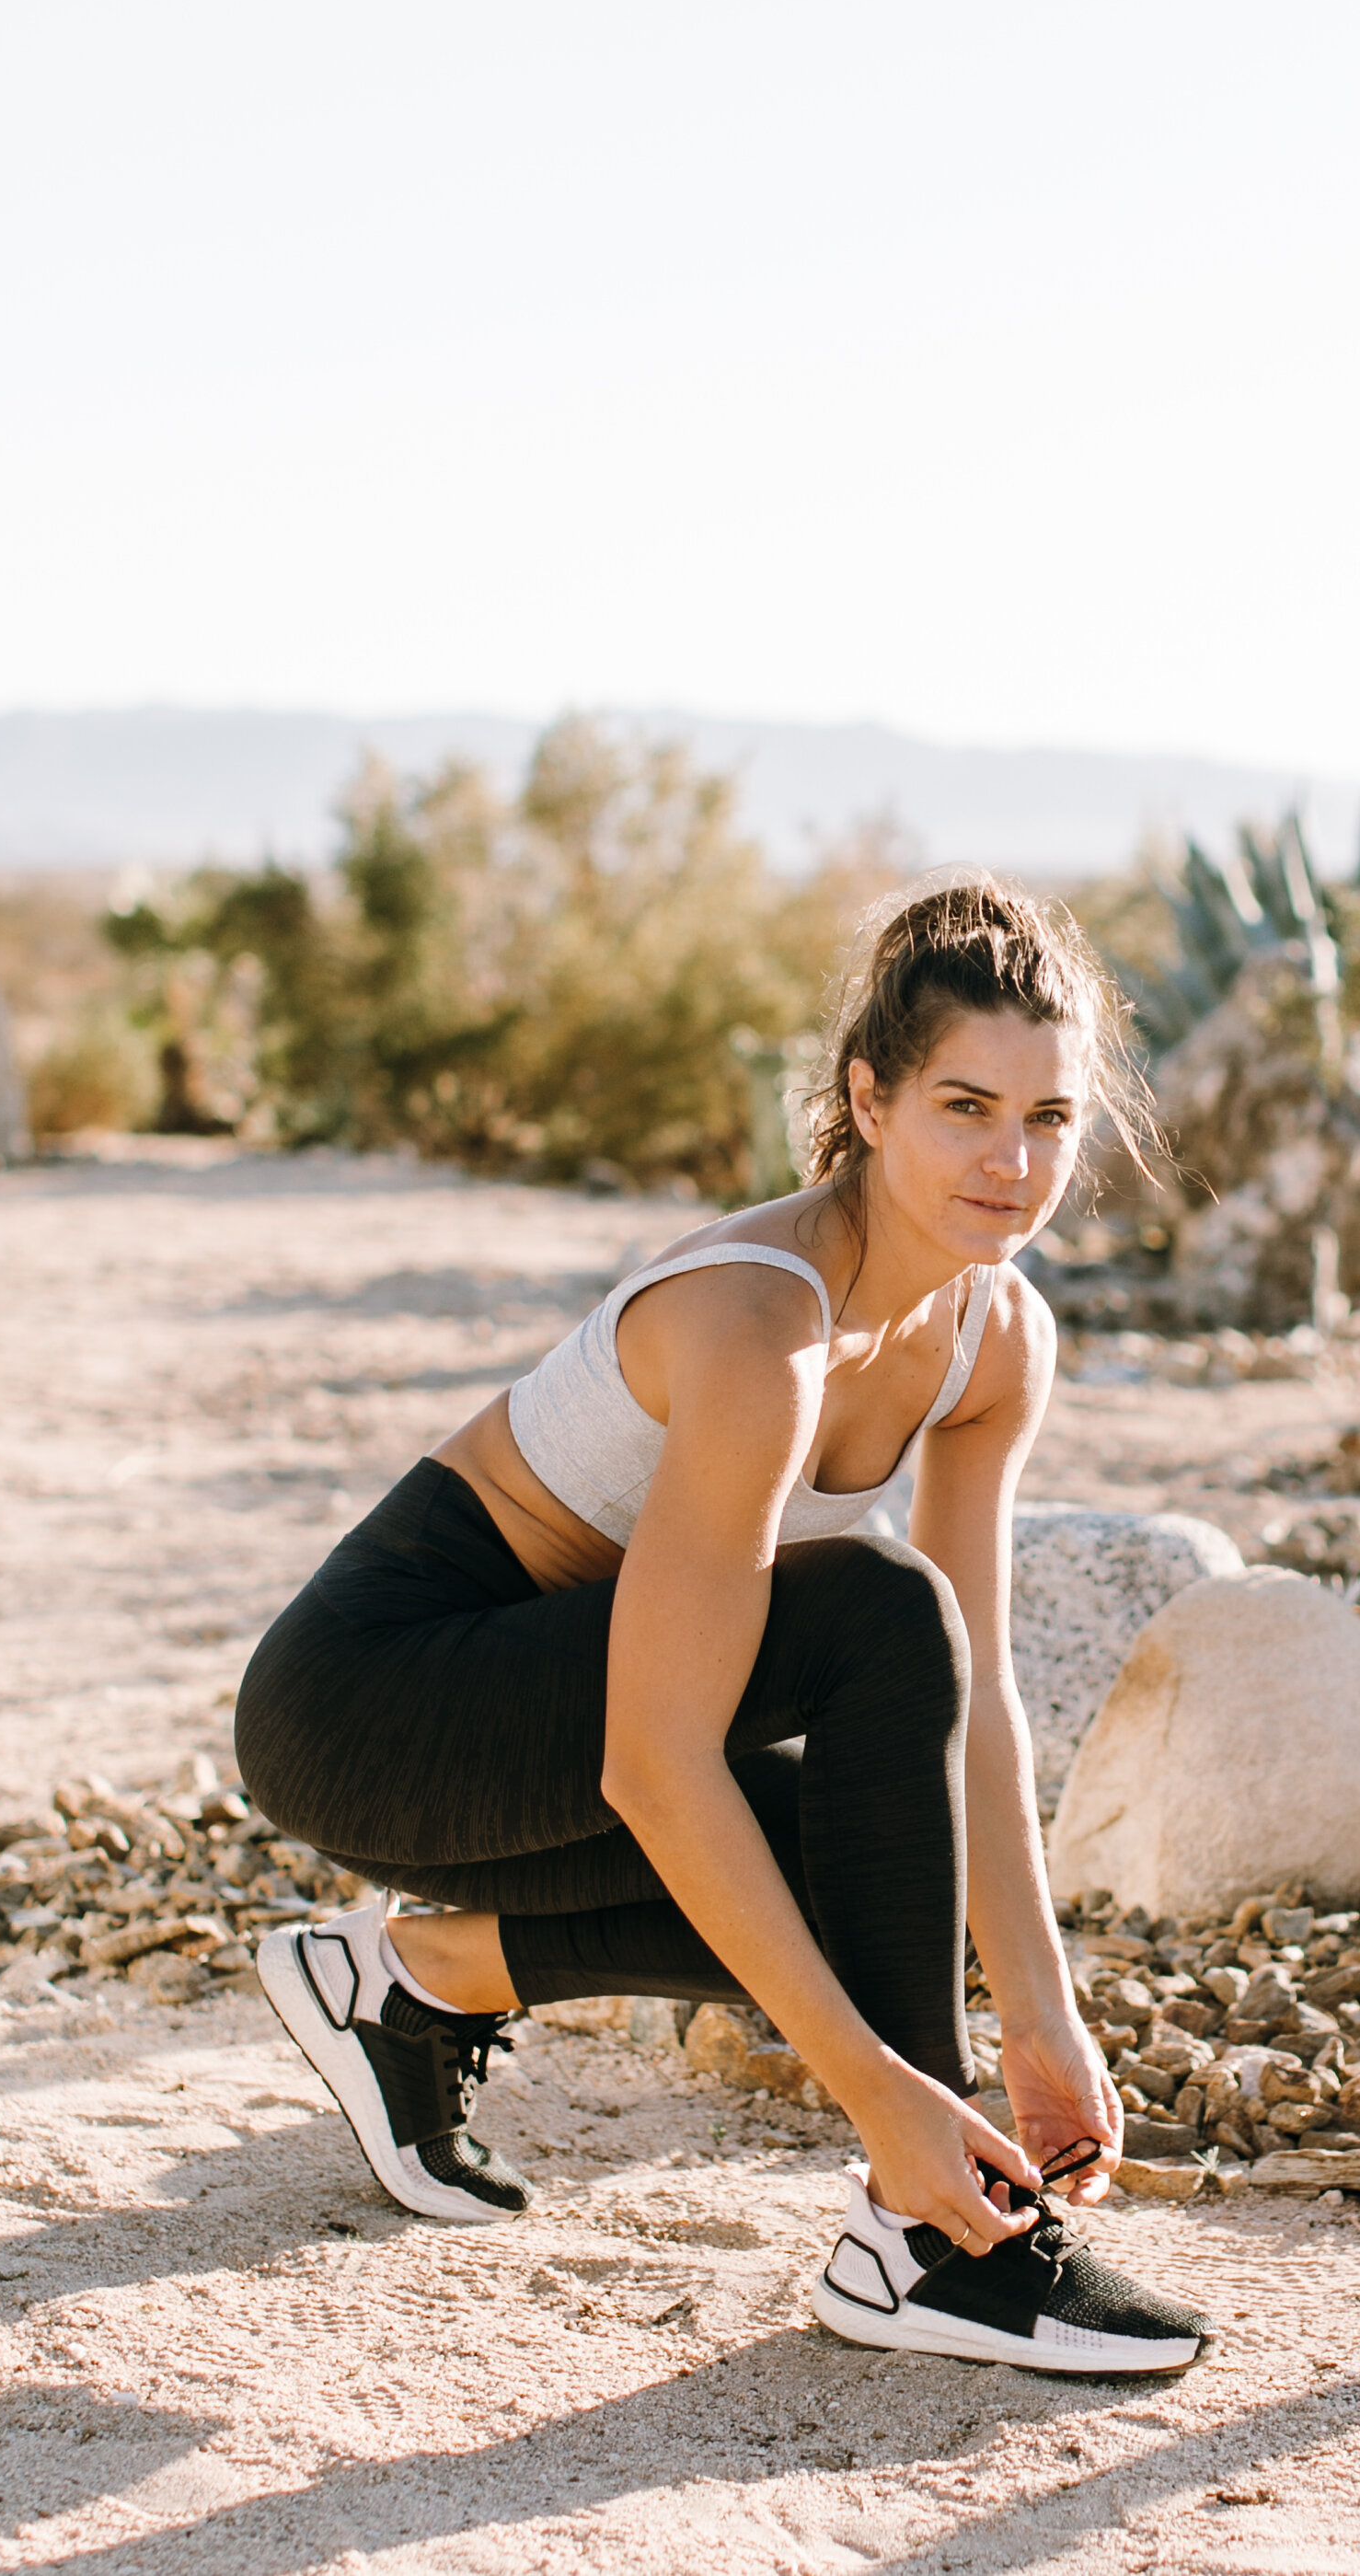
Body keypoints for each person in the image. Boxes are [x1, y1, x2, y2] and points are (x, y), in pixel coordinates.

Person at [235, 877, 1206, 2376]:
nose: (1013, 1162)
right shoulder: (764, 1325)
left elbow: (983, 1703)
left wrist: (1040, 2020)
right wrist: (886, 2096)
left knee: (887, 1836)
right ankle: (929, 2236)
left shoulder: (997, 1335)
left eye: (1051, 1118)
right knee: (881, 1610)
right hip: (374, 1704)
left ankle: (415, 1984)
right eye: (966, 1106)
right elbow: (656, 1759)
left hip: (560, 1723)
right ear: (868, 1099)